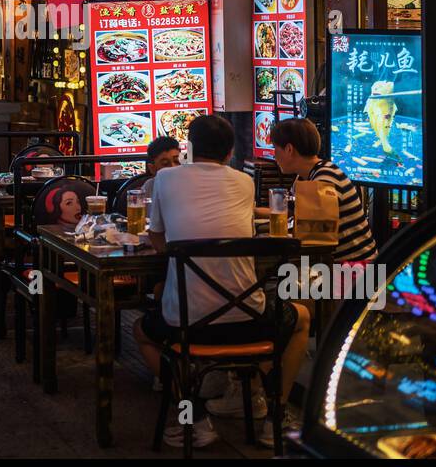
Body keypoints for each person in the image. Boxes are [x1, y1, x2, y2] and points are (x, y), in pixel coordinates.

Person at [133, 114, 310, 449]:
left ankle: (195, 419)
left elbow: (157, 239)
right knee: (300, 318)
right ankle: (275, 416)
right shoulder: (244, 183)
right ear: (230, 153)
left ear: (189, 147)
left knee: (141, 332)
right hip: (249, 321)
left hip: (185, 325)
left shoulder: (166, 180)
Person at [264, 117, 377, 263]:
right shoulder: (305, 177)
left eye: (275, 148)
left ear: (289, 149)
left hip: (356, 268)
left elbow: (314, 231)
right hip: (336, 264)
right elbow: (287, 212)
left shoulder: (325, 179)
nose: (274, 155)